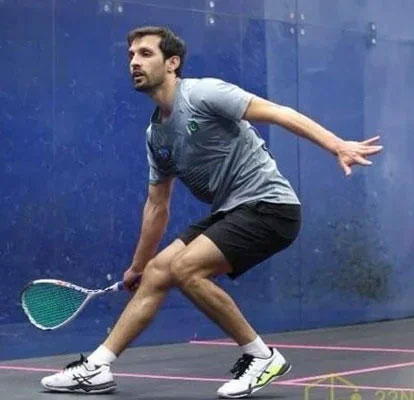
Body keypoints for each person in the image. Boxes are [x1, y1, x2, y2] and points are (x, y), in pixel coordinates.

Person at [40, 26, 382, 398]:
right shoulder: (156, 135)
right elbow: (157, 206)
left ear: (172, 63)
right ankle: (98, 367)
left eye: (145, 54)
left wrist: (336, 145)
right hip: (232, 210)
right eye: (131, 56)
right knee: (158, 272)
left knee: (186, 268)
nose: (135, 62)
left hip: (270, 207)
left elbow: (279, 112)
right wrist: (138, 266)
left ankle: (260, 356)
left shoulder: (204, 94)